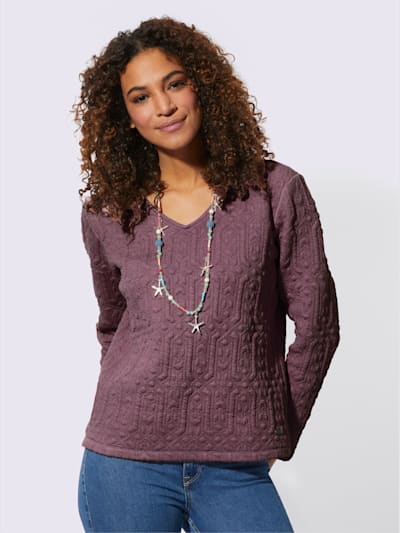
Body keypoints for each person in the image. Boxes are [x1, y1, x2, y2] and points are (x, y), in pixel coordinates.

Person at [73, 16, 340, 533]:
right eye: (141, 97)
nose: (164, 106)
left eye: (174, 83)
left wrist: (278, 427)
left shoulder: (276, 192)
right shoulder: (108, 211)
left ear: (202, 86)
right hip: (124, 461)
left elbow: (319, 327)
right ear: (125, 117)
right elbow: (114, 325)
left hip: (236, 466)